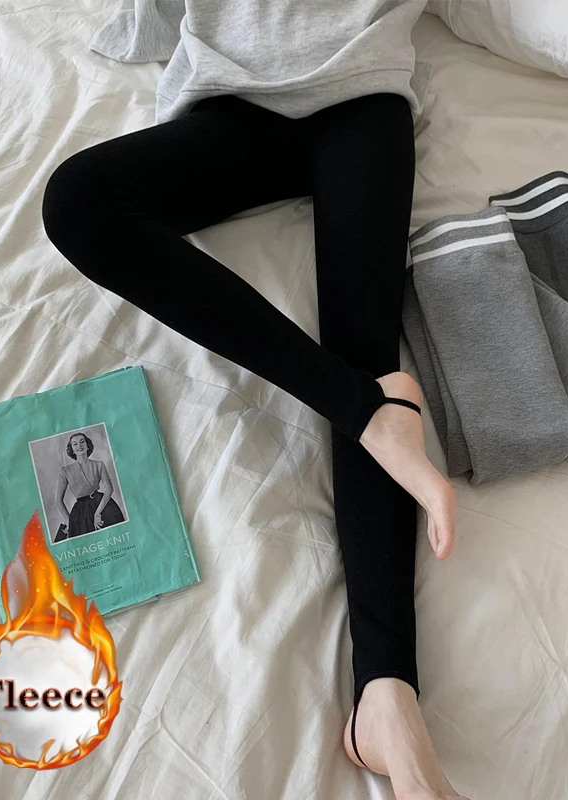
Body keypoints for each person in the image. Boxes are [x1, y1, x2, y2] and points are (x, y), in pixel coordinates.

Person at [42, 3, 465, 797]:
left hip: (363, 98)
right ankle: (371, 412)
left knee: (363, 345)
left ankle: (388, 701)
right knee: (75, 200)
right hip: (235, 103)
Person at [55, 433, 125, 539]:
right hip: (81, 512)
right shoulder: (65, 471)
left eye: (82, 442)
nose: (79, 445)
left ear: (88, 445)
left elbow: (109, 489)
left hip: (102, 505)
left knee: (113, 535)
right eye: (75, 444)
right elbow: (58, 501)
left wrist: (97, 514)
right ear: (72, 450)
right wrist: (69, 520)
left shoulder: (99, 464)